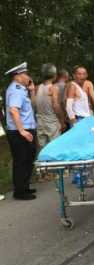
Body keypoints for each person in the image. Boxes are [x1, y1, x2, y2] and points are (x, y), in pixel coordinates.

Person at [4, 62, 38, 200]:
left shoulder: (22, 90)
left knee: (28, 159)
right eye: (25, 74)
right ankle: (19, 192)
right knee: (21, 161)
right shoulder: (16, 90)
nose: (27, 76)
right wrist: (22, 131)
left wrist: (32, 91)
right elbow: (14, 110)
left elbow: (32, 106)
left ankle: (24, 187)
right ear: (17, 76)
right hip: (20, 132)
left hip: (26, 129)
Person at [35, 63, 65, 149]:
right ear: (54, 75)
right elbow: (56, 106)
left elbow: (34, 105)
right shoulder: (54, 88)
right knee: (55, 148)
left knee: (42, 149)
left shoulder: (37, 88)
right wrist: (62, 121)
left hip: (40, 122)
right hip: (52, 123)